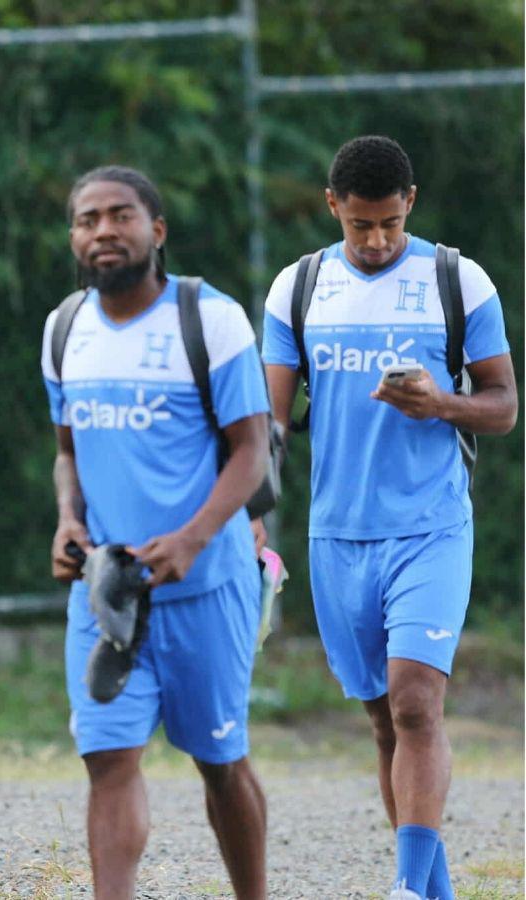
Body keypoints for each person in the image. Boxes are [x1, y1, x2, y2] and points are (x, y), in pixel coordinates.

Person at [261, 135, 517, 900]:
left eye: (389, 226)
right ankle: (431, 891)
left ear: (411, 204)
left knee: (415, 702)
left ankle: (404, 888)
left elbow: (504, 406)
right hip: (338, 534)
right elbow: (267, 430)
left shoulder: (456, 279)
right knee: (384, 722)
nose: (375, 243)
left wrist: (440, 402)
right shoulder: (296, 288)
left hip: (431, 526)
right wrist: (251, 521)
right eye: (359, 226)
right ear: (333, 207)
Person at [44, 166, 271, 899]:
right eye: (87, 219)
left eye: (120, 215)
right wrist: (68, 519)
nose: (103, 231)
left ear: (157, 231)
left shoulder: (210, 320)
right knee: (108, 760)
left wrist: (194, 538)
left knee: (220, 763)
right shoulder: (64, 329)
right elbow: (67, 452)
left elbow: (251, 449)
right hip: (110, 591)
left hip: (207, 588)